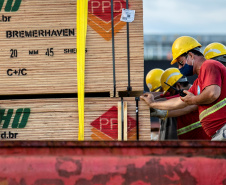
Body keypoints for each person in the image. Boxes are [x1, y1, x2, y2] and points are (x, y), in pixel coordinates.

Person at [141, 36, 226, 141]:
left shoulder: (209, 65)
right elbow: (179, 102)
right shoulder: (198, 83)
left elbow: (212, 93)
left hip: (223, 130)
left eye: (180, 62)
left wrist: (193, 99)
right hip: (218, 133)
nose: (180, 67)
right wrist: (153, 104)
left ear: (190, 55)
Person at [150, 68, 210, 140]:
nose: (170, 95)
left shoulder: (194, 96)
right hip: (189, 144)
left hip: (201, 144)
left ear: (178, 86)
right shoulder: (193, 92)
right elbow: (165, 96)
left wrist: (158, 109)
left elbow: (178, 104)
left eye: (171, 92)